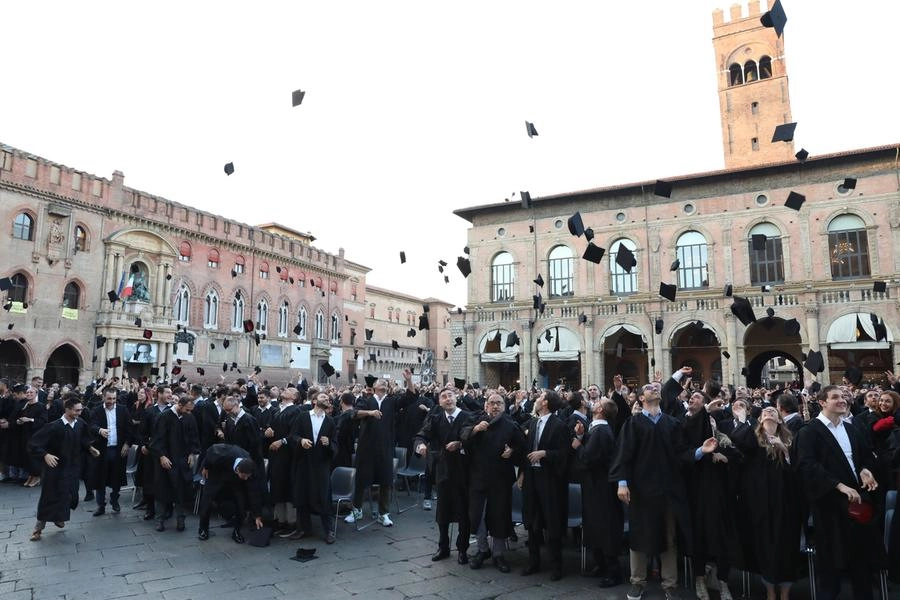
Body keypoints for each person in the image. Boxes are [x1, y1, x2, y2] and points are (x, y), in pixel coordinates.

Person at [610, 390, 706, 600]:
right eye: (649, 388)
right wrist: (622, 483)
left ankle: (670, 584)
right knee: (639, 536)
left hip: (668, 490)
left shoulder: (672, 423)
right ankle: (637, 582)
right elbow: (623, 455)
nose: (655, 389)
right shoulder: (633, 424)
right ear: (641, 399)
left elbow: (681, 453)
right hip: (641, 491)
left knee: (669, 537)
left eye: (657, 388)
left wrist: (700, 451)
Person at [796, 385, 885, 600]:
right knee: (831, 568)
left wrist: (865, 470)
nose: (842, 400)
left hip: (858, 505)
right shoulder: (809, 432)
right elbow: (807, 466)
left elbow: (866, 457)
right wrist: (838, 485)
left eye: (844, 396)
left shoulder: (852, 428)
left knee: (861, 566)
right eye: (835, 397)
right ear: (822, 402)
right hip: (830, 507)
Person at [731, 405, 801, 600]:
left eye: (773, 412)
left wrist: (784, 451)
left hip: (787, 503)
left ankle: (785, 592)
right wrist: (743, 418)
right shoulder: (753, 439)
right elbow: (737, 441)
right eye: (765, 413)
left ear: (780, 419)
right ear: (760, 420)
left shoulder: (790, 440)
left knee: (787, 545)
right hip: (759, 503)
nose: (769, 413)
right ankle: (770, 589)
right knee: (765, 545)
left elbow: (800, 468)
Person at [461, 392, 525, 572]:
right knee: (477, 515)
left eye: (499, 403)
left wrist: (512, 452)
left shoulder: (511, 425)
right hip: (478, 477)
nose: (495, 406)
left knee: (499, 516)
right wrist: (475, 430)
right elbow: (462, 436)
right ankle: (482, 549)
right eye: (492, 403)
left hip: (501, 479)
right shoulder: (477, 421)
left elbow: (522, 447)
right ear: (485, 406)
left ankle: (498, 553)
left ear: (504, 407)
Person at [345, 369, 418, 527]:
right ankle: (356, 510)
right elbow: (354, 414)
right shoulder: (366, 400)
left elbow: (411, 397)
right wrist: (370, 413)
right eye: (380, 382)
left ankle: (383, 513)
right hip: (366, 447)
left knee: (385, 480)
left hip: (385, 446)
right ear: (374, 386)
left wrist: (409, 380)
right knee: (361, 479)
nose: (383, 383)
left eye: (385, 383)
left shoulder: (392, 401)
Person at [27, 395, 99, 541]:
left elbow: (84, 439)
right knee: (49, 497)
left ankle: (59, 517)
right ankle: (38, 528)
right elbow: (34, 444)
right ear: (67, 409)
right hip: (55, 469)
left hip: (72, 468)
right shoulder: (54, 426)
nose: (79, 413)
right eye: (77, 411)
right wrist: (45, 455)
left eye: (80, 410)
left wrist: (90, 448)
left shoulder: (80, 424)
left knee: (70, 495)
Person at [414, 385, 472, 564]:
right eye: (444, 397)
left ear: (456, 397)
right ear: (439, 401)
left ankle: (462, 549)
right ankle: (443, 546)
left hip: (464, 469)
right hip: (443, 469)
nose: (447, 399)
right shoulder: (436, 418)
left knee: (464, 511)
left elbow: (474, 438)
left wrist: (461, 444)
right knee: (443, 510)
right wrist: (421, 445)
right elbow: (422, 435)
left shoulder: (468, 416)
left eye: (450, 396)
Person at [519, 389, 570, 581]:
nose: (537, 399)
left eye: (540, 397)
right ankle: (533, 562)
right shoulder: (533, 423)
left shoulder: (559, 426)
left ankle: (557, 565)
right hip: (532, 477)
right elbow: (528, 450)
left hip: (550, 480)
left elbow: (564, 455)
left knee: (552, 522)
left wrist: (545, 454)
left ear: (546, 403)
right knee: (532, 520)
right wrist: (523, 472)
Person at [572, 398, 623, 587]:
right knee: (595, 526)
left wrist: (578, 444)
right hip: (595, 487)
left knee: (604, 528)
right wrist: (583, 436)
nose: (592, 403)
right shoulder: (597, 429)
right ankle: (601, 564)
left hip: (601, 488)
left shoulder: (601, 431)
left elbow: (588, 458)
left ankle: (613, 571)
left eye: (598, 402)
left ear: (600, 409)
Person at [289, 392, 337, 543]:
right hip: (304, 461)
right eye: (323, 397)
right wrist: (301, 440)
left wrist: (329, 443)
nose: (327, 399)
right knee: (302, 494)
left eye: (328, 398)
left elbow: (335, 443)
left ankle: (328, 530)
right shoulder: (303, 416)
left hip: (321, 464)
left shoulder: (330, 421)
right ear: (315, 400)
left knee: (323, 495)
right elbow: (293, 436)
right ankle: (304, 528)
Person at [150, 395, 200, 532]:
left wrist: (192, 453)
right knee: (162, 489)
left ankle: (180, 518)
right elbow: (156, 439)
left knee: (181, 489)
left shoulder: (189, 418)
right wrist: (161, 456)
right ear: (180, 405)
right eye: (187, 410)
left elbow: (194, 437)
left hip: (182, 460)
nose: (189, 413)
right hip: (166, 460)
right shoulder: (164, 417)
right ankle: (160, 519)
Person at [197, 443, 264, 544]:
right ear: (237, 471)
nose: (246, 479)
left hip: (235, 482)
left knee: (241, 504)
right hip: (217, 473)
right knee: (207, 500)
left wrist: (257, 515)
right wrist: (206, 467)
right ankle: (203, 529)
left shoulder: (251, 469)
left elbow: (254, 492)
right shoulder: (226, 453)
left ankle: (237, 531)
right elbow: (211, 451)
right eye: (244, 476)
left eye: (248, 477)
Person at [90, 387, 133, 516]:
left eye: (114, 398)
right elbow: (91, 425)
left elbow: (129, 428)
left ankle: (115, 500)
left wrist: (127, 444)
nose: (112, 401)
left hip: (118, 449)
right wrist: (99, 430)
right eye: (109, 398)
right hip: (102, 449)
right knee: (100, 478)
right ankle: (100, 505)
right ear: (103, 397)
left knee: (117, 476)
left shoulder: (122, 410)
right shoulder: (96, 410)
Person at [266, 387, 301, 536]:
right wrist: (268, 430)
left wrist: (282, 441)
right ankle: (280, 520)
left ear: (294, 397)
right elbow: (273, 427)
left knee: (287, 487)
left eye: (290, 390)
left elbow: (295, 433)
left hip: (288, 456)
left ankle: (291, 523)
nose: (286, 390)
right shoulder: (277, 410)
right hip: (276, 456)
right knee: (277, 487)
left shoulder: (295, 411)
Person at [11, 385, 47, 487]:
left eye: (31, 393)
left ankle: (36, 476)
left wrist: (30, 420)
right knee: (27, 456)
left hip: (35, 435)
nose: (29, 394)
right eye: (27, 393)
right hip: (25, 433)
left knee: (34, 456)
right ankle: (31, 475)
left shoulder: (41, 406)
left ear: (36, 394)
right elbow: (20, 417)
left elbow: (43, 421)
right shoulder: (25, 406)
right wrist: (19, 421)